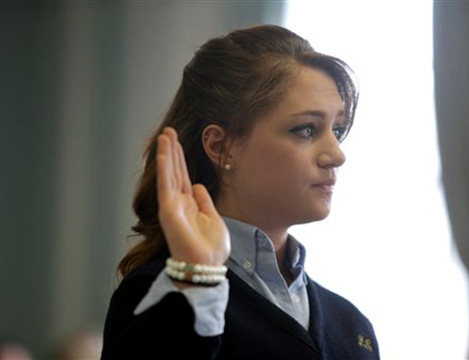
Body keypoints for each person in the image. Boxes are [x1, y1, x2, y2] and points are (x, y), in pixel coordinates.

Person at [101, 24, 380, 359]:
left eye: (336, 129)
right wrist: (197, 280)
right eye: (306, 129)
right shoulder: (163, 294)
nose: (336, 154)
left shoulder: (352, 325)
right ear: (222, 147)